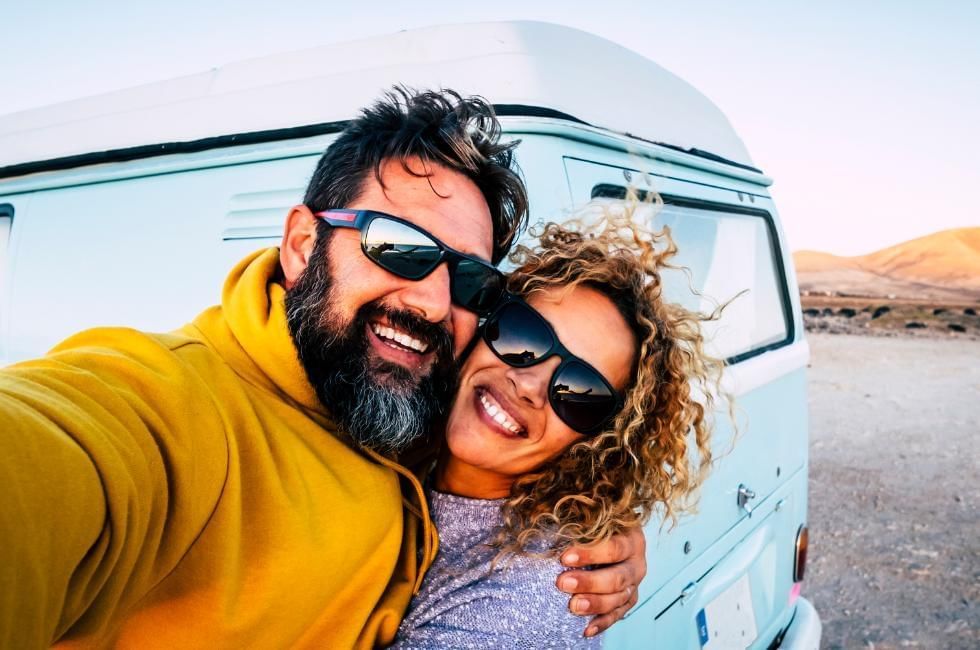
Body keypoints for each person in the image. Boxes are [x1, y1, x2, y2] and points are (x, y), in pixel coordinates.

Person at [0, 89, 645, 649]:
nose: (432, 301)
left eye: (469, 279)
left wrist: (609, 517)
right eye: (397, 246)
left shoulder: (405, 397)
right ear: (304, 245)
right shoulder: (169, 411)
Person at [392, 213, 724, 648]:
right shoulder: (392, 424)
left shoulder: (530, 596)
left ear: (597, 443)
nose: (529, 385)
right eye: (523, 335)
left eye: (579, 392)